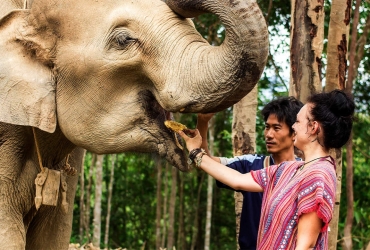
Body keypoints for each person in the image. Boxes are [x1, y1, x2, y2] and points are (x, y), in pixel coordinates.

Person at [178, 90, 354, 249]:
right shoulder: (290, 170)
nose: (294, 126)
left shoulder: (318, 174)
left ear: (313, 127)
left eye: (298, 122)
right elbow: (237, 180)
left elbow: (306, 245)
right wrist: (195, 152)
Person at [196, 97, 303, 250]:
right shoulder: (252, 164)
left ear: (294, 133)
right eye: (267, 127)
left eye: (276, 128)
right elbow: (206, 162)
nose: (269, 134)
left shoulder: (304, 172)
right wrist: (202, 122)